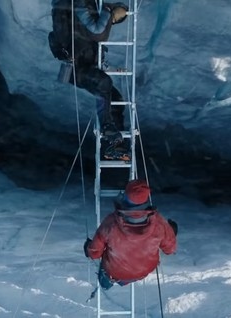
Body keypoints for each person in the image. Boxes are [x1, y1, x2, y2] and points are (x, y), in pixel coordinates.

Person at [49, 0, 130, 160]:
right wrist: (108, 10)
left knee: (115, 98)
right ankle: (108, 129)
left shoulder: (69, 9)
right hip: (77, 69)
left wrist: (110, 68)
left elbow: (85, 41)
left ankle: (114, 146)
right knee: (103, 84)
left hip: (78, 67)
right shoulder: (80, 4)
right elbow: (99, 33)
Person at [84, 179, 178, 289]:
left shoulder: (111, 222)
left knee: (107, 269)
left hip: (116, 271)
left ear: (126, 197)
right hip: (143, 271)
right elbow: (170, 249)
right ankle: (118, 279)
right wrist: (171, 230)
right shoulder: (159, 223)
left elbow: (95, 253)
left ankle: (107, 281)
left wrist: (87, 248)